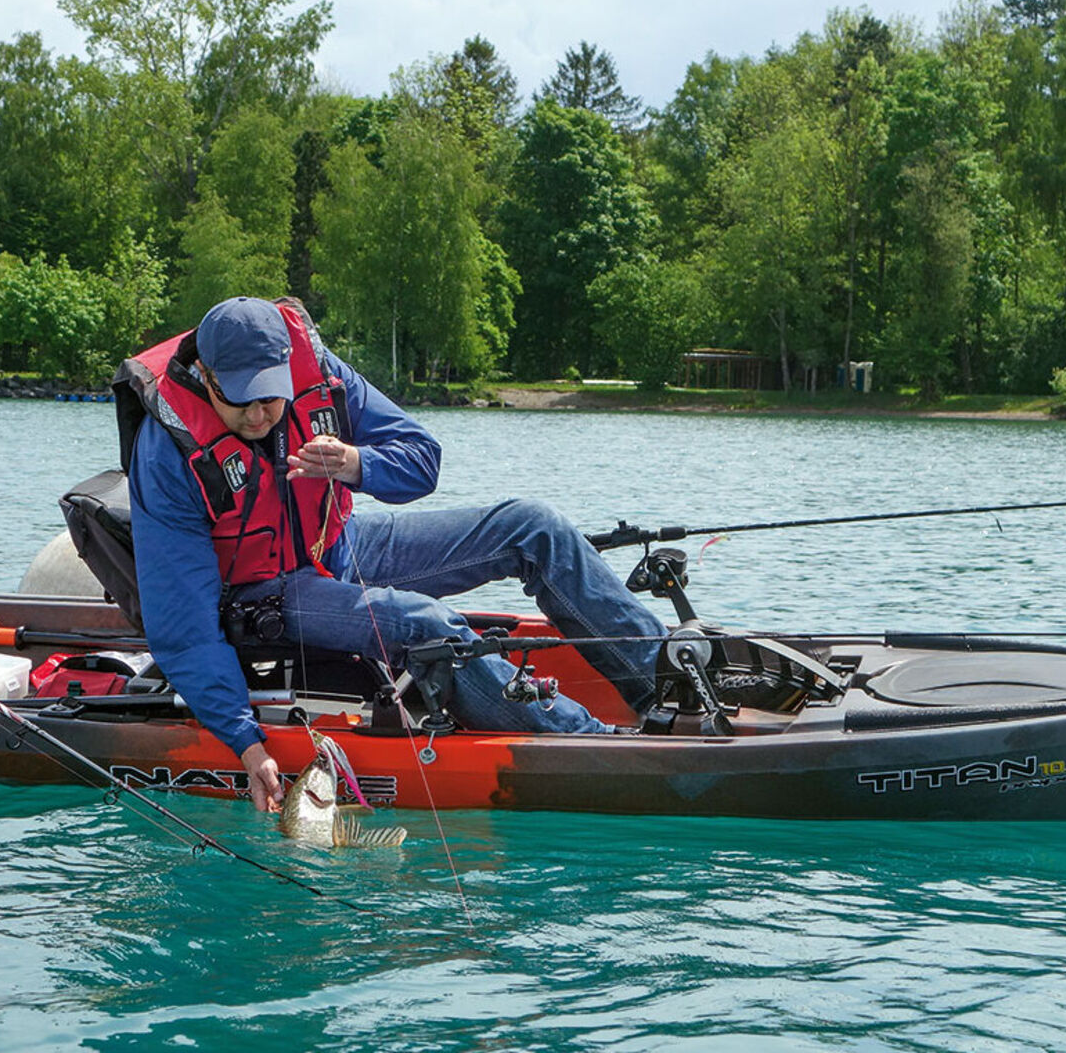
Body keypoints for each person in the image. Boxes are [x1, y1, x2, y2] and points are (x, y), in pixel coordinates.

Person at [116, 296, 667, 812]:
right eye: (241, 398)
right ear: (208, 377)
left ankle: (667, 686)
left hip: (338, 544)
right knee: (424, 625)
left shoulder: (319, 370)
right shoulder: (168, 453)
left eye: (271, 394)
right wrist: (245, 740)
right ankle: (596, 745)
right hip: (263, 594)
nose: (261, 415)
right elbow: (182, 626)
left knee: (531, 526)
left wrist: (357, 464)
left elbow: (422, 458)